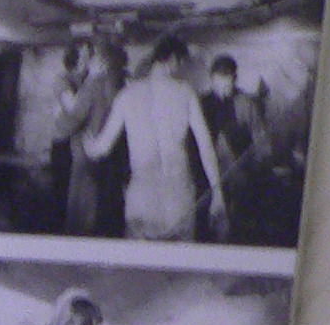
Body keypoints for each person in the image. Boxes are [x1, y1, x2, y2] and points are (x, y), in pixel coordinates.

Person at [84, 34, 222, 243]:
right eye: (181, 64)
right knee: (181, 261)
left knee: (140, 261)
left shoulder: (127, 95)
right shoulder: (186, 93)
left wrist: (87, 142)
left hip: (142, 198)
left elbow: (101, 148)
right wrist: (218, 194)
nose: (180, 70)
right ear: (173, 59)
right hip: (178, 198)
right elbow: (206, 147)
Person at [57, 37, 125, 237]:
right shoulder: (118, 86)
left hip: (85, 154)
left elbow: (73, 120)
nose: (87, 62)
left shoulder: (92, 85)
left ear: (100, 61)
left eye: (91, 57)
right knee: (102, 207)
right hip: (108, 154)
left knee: (81, 212)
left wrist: (59, 121)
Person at [197, 54, 263, 239]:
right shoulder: (201, 104)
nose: (225, 87)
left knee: (239, 228)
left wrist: (255, 166)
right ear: (212, 78)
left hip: (239, 176)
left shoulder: (246, 104)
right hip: (208, 176)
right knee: (208, 227)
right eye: (220, 80)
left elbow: (260, 140)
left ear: (235, 78)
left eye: (229, 81)